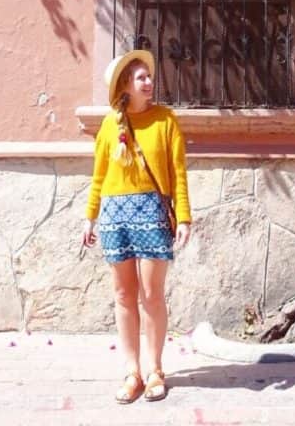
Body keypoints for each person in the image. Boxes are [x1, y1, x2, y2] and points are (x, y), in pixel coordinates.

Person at [82, 49, 191, 404]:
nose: (149, 81)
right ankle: (132, 372)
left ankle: (155, 369)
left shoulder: (165, 120)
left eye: (149, 76)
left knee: (151, 294)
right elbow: (99, 175)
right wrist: (90, 216)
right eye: (141, 77)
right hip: (115, 215)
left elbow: (178, 172)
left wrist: (184, 216)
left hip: (152, 213)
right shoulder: (109, 126)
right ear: (125, 85)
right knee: (124, 295)